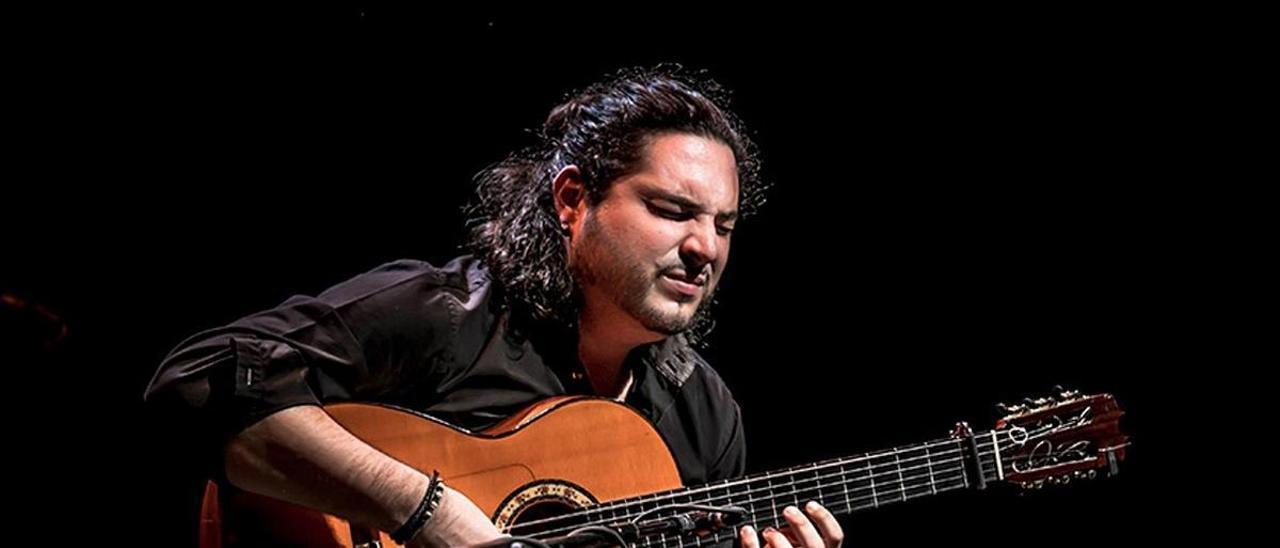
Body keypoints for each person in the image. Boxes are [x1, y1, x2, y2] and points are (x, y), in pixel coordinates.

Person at [145, 66, 844, 548]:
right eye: (672, 211)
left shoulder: (706, 416)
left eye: (723, 225)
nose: (704, 247)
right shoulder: (449, 318)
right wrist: (425, 509)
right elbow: (195, 381)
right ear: (573, 201)